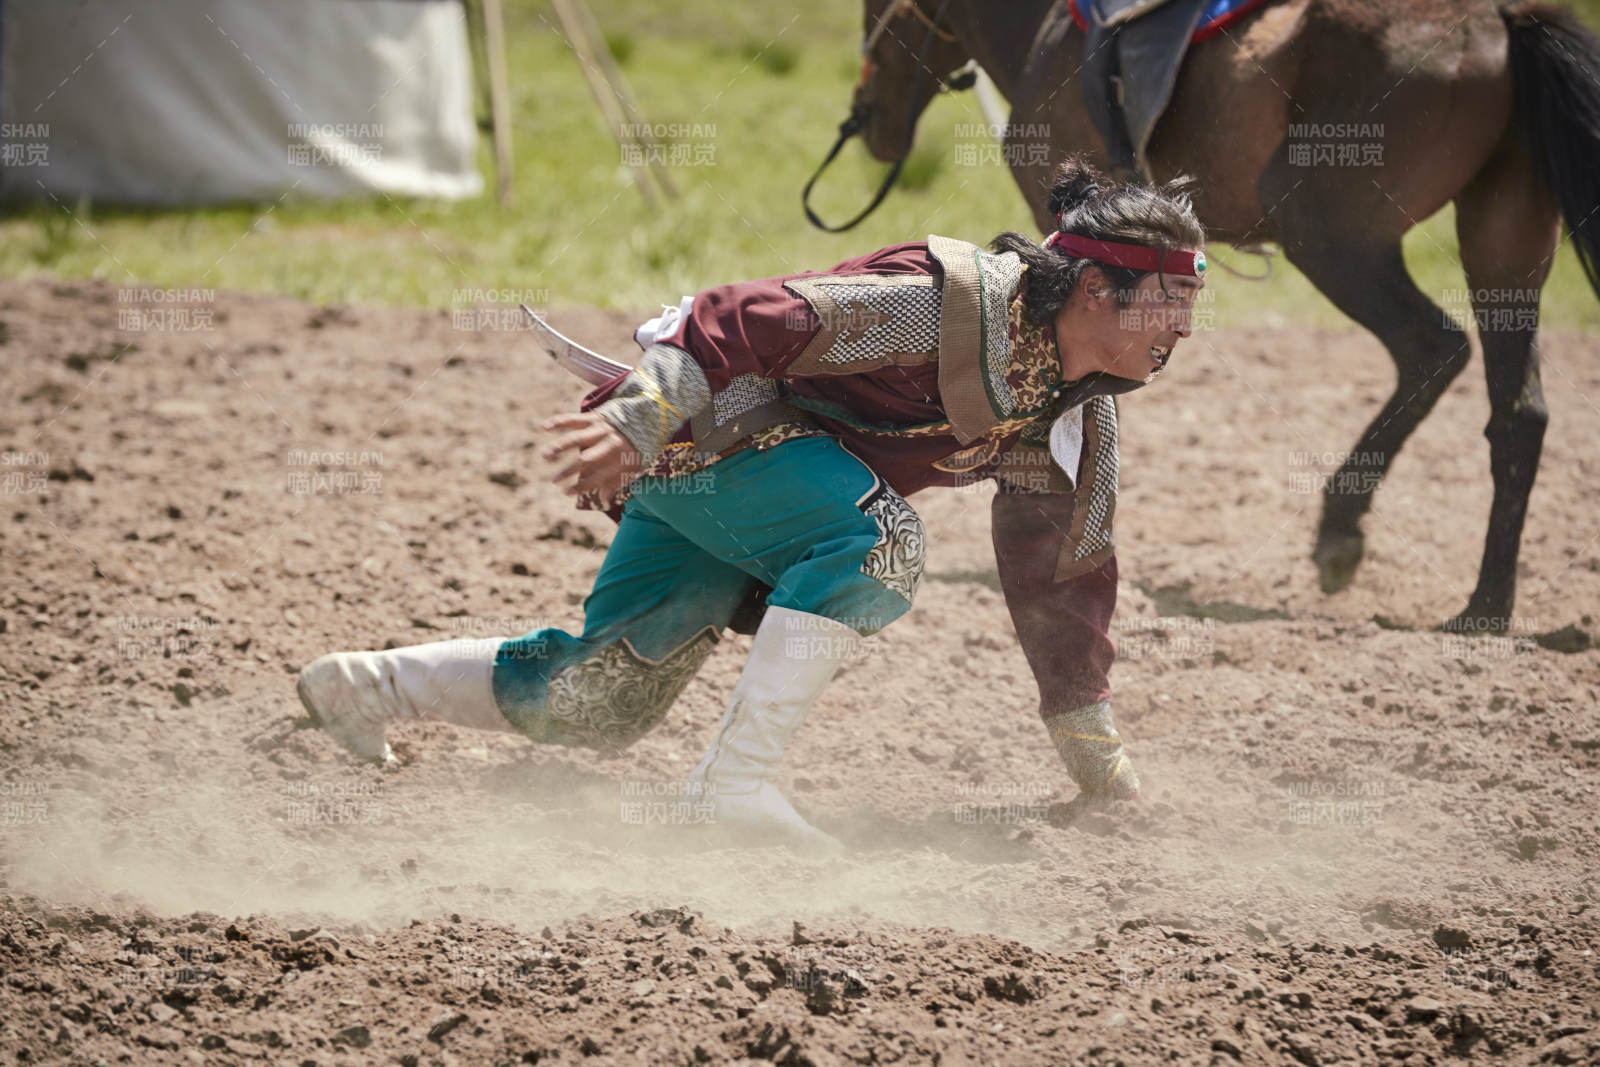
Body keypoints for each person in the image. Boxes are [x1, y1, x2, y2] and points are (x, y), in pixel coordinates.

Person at [296, 158, 1207, 852]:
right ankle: (732, 786)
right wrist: (639, 418)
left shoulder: (1078, 419)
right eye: (1170, 301)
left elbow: (1064, 593)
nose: (1185, 329)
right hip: (705, 443)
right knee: (882, 543)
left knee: (595, 703)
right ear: (1095, 289)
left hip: (754, 495)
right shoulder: (942, 307)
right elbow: (738, 316)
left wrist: (1105, 777)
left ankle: (366, 686)